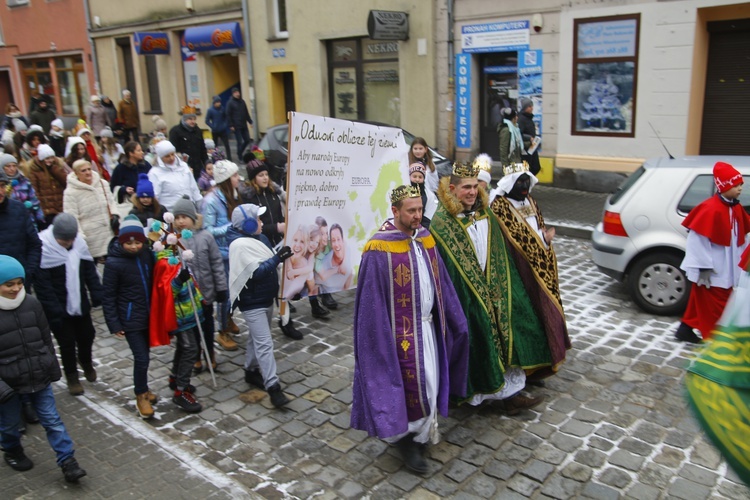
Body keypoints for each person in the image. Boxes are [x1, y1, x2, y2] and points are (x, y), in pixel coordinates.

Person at [350, 185, 469, 474]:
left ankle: (421, 433)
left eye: (420, 210)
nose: (418, 216)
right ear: (395, 211)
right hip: (399, 337)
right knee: (413, 387)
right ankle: (407, 440)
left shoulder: (425, 238)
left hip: (428, 330)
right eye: (411, 211)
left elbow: (441, 283)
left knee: (431, 384)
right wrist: (378, 343)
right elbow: (369, 303)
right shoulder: (378, 249)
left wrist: (456, 319)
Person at [430, 162, 545, 413]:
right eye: (465, 188)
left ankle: (509, 392)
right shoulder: (441, 223)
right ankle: (481, 393)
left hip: (494, 287)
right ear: (452, 189)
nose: (472, 192)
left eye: (475, 187)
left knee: (510, 328)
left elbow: (496, 252)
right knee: (477, 335)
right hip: (465, 297)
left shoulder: (485, 213)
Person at [0, 255, 87, 483]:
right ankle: (12, 449)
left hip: (38, 376)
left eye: (19, 283)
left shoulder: (31, 303)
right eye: (9, 285)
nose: (16, 289)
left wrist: (51, 366)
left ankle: (67, 461)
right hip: (8, 384)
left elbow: (45, 338)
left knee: (52, 420)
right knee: (9, 425)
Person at [489, 163, 571, 383]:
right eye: (520, 181)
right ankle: (528, 370)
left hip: (541, 268)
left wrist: (545, 242)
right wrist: (541, 243)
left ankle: (543, 364)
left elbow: (539, 227)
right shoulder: (500, 207)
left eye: (527, 181)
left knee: (545, 315)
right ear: (509, 184)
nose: (525, 186)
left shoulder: (532, 201)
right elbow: (516, 241)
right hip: (520, 272)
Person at [674, 161, 750, 343]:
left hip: (728, 266)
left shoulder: (736, 207)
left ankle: (685, 330)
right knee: (716, 306)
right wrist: (703, 267)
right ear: (724, 186)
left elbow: (741, 233)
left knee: (699, 301)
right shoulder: (709, 209)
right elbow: (696, 241)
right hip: (714, 270)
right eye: (735, 185)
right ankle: (715, 342)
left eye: (740, 185)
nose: (740, 189)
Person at [227, 204, 292, 408]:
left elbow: (271, 262)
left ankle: (250, 370)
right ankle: (273, 387)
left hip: (265, 298)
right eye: (258, 220)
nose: (263, 223)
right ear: (247, 224)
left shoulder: (261, 238)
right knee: (264, 343)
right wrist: (276, 259)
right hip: (252, 302)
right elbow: (255, 272)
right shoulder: (238, 246)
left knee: (257, 339)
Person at [34, 214, 103, 396]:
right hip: (58, 307)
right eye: (62, 240)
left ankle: (86, 361)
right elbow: (43, 287)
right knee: (66, 343)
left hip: (79, 302)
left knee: (87, 335)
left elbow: (89, 271)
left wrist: (96, 292)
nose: (66, 243)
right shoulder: (44, 248)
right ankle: (72, 376)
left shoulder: (79, 245)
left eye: (69, 239)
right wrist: (55, 311)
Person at [240, 155, 307, 333]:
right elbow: (254, 226)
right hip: (263, 246)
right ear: (253, 178)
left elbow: (280, 215)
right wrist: (277, 227)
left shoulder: (273, 193)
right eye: (260, 175)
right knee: (274, 284)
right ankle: (270, 318)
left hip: (280, 243)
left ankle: (286, 322)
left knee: (284, 281)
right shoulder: (251, 199)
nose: (264, 178)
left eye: (266, 174)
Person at [101, 216, 158, 419]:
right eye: (129, 243)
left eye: (137, 242)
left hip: (148, 315)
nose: (133, 247)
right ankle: (140, 395)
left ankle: (145, 388)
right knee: (141, 357)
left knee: (146, 356)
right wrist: (114, 323)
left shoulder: (146, 255)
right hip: (130, 318)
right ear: (121, 241)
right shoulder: (114, 263)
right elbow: (108, 296)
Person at [149, 217, 204, 414]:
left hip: (189, 311)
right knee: (190, 348)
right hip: (179, 316)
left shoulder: (178, 255)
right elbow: (167, 292)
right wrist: (179, 281)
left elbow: (190, 280)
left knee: (184, 347)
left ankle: (175, 378)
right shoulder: (164, 263)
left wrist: (199, 297)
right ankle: (181, 391)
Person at [174, 197, 229, 372]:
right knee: (192, 328)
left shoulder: (206, 236)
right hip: (187, 297)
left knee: (207, 325)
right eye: (178, 217)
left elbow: (216, 264)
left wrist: (221, 288)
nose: (181, 221)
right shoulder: (174, 240)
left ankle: (210, 354)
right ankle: (196, 354)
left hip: (205, 292)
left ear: (193, 217)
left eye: (184, 217)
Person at [201, 160, 242, 351]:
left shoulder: (232, 195)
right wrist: (232, 225)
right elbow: (207, 230)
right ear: (226, 179)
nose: (238, 178)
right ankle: (221, 331)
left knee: (236, 290)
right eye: (234, 175)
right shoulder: (210, 201)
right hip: (220, 254)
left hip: (233, 249)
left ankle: (228, 318)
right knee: (224, 293)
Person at [63, 159, 118, 260]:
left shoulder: (102, 183)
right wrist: (80, 237)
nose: (88, 172)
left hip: (108, 233)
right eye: (83, 171)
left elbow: (111, 201)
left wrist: (115, 214)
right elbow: (72, 217)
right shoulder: (70, 192)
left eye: (89, 169)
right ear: (76, 173)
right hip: (90, 239)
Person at [0, 170, 41, 288]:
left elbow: (34, 244)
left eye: (2, 186)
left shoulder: (18, 209)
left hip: (18, 283)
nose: (0, 191)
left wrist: (27, 273)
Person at [147, 140, 202, 211]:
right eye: (167, 156)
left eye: (172, 154)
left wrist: (200, 204)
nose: (171, 158)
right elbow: (155, 196)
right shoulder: (154, 173)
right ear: (161, 157)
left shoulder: (183, 166)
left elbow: (193, 188)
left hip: (189, 210)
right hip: (169, 213)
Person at [26, 143, 69, 229]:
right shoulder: (35, 171)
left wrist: (55, 170)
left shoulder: (57, 167)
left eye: (52, 157)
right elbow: (35, 191)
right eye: (47, 158)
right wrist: (42, 209)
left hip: (61, 207)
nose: (50, 160)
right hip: (48, 210)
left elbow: (66, 183)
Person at [1, 154, 44, 228]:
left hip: (27, 219)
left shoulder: (24, 181)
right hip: (9, 222)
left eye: (14, 166)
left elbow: (34, 199)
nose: (12, 169)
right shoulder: (2, 184)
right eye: (8, 166)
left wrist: (39, 217)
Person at [169, 108, 207, 182]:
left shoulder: (198, 131)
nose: (193, 121)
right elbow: (173, 151)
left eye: (194, 119)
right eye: (190, 119)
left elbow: (203, 149)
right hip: (183, 168)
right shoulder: (175, 131)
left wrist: (206, 163)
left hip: (197, 168)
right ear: (184, 119)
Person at [316, 223, 353, 294]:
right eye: (333, 240)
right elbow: (321, 277)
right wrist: (338, 269)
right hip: (327, 294)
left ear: (342, 240)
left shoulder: (347, 250)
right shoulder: (324, 263)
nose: (336, 244)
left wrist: (344, 263)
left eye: (338, 239)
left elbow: (349, 272)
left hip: (344, 294)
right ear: (331, 244)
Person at [226, 87, 253, 159]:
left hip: (244, 124)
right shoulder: (230, 103)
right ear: (233, 94)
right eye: (235, 93)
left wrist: (250, 121)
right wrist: (231, 125)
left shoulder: (242, 102)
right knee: (239, 142)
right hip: (236, 125)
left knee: (247, 140)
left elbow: (246, 112)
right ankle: (240, 157)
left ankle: (239, 152)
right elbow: (228, 115)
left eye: (238, 92)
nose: (237, 94)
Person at [408, 162, 437, 228]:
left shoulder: (429, 196)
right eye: (414, 176)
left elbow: (428, 217)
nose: (417, 180)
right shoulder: (402, 192)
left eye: (420, 177)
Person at [518, 98, 541, 176]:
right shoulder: (521, 119)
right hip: (526, 148)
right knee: (528, 168)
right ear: (525, 108)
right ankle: (525, 183)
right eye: (530, 106)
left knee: (536, 167)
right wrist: (529, 138)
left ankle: (528, 182)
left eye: (532, 106)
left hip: (532, 147)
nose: (532, 108)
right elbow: (518, 133)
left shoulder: (529, 118)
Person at [205, 96, 231, 161]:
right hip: (215, 131)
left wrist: (225, 125)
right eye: (218, 102)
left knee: (227, 144)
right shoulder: (210, 110)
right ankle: (215, 157)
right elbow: (207, 120)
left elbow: (226, 117)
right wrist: (213, 126)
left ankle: (229, 158)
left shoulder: (222, 109)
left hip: (223, 130)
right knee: (215, 145)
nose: (219, 103)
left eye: (220, 102)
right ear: (214, 103)